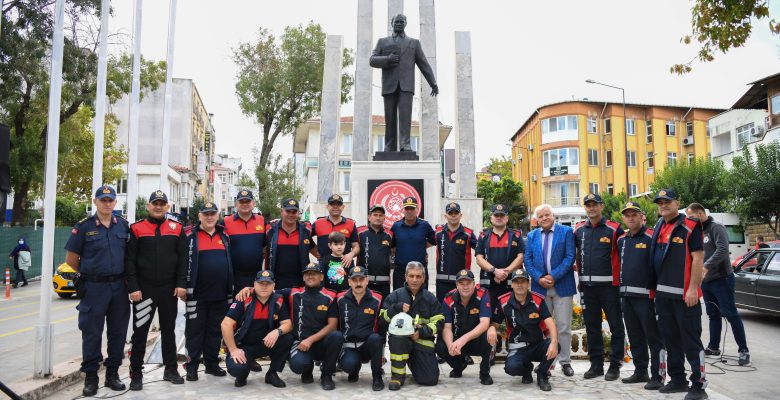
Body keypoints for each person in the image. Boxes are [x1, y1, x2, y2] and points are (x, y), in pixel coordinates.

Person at [64, 185, 130, 396]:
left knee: (118, 332)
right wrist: (91, 271)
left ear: (115, 203)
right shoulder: (83, 227)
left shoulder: (124, 226)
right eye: (103, 200)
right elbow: (72, 260)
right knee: (92, 333)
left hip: (119, 287)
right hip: (94, 287)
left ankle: (112, 374)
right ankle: (91, 377)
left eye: (110, 200)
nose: (107, 203)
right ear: (95, 202)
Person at [125, 191, 187, 389]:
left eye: (162, 203)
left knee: (169, 331)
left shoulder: (177, 229)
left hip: (170, 289)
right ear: (148, 206)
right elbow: (130, 261)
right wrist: (133, 287)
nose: (158, 206)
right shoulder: (136, 228)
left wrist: (181, 284)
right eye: (155, 203)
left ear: (168, 206)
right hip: (144, 290)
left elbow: (184, 259)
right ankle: (136, 373)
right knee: (140, 332)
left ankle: (171, 369)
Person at [650, 189, 708, 400]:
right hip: (663, 295)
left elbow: (698, 258)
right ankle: (677, 380)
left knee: (691, 341)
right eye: (660, 202)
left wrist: (693, 288)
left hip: (686, 296)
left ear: (677, 202)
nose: (663, 205)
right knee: (671, 340)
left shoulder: (690, 226)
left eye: (668, 201)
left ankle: (699, 386)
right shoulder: (659, 226)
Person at [686, 203, 750, 366]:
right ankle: (714, 347)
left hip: (722, 278)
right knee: (713, 315)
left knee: (731, 314)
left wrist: (706, 266)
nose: (689, 220)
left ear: (700, 213)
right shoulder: (696, 231)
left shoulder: (716, 228)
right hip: (706, 281)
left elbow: (722, 249)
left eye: (691, 217)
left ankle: (743, 350)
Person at [573, 193, 625, 380]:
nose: (591, 208)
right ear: (585, 208)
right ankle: (596, 365)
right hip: (587, 288)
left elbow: (623, 257)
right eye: (588, 205)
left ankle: (615, 364)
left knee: (616, 326)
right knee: (592, 327)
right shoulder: (578, 230)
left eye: (595, 204)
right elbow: (576, 255)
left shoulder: (614, 228)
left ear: (602, 206)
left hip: (609, 288)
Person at [369, 14, 438, 152]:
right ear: (391, 23)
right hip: (389, 85)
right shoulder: (383, 42)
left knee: (406, 117)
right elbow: (372, 60)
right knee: (389, 117)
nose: (399, 24)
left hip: (406, 86)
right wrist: (387, 59)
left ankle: (405, 144)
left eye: (401, 22)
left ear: (405, 23)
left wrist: (433, 83)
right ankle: (389, 145)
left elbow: (423, 64)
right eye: (396, 21)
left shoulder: (414, 43)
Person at [523, 204, 576, 377]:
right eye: (541, 216)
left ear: (553, 216)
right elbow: (528, 261)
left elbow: (570, 257)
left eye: (547, 215)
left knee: (563, 326)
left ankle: (565, 362)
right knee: (543, 327)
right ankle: (547, 364)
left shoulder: (566, 232)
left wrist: (553, 276)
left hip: (562, 285)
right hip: (540, 288)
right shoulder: (531, 236)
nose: (544, 218)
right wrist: (539, 278)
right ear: (536, 220)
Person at [183, 202, 233, 381]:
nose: (209, 217)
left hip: (220, 294)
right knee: (194, 332)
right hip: (197, 294)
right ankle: (192, 366)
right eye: (206, 214)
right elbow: (182, 263)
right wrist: (182, 286)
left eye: (213, 214)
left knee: (214, 331)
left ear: (217, 216)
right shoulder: (190, 235)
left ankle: (211, 365)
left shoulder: (224, 235)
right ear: (199, 216)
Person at [617, 202, 665, 390]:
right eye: (627, 215)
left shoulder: (651, 237)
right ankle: (640, 371)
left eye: (634, 214)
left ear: (641, 216)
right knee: (635, 337)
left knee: (653, 338)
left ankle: (658, 375)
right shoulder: (622, 240)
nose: (630, 218)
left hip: (647, 298)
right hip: (627, 298)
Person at [221, 270, 293, 388]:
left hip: (265, 344)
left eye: (268, 284)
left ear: (274, 285)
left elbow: (287, 324)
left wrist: (277, 331)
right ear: (254, 284)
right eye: (261, 283)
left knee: (287, 338)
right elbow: (225, 325)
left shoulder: (278, 300)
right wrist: (233, 350)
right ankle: (242, 375)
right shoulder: (244, 298)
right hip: (242, 347)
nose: (264, 287)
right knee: (237, 369)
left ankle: (272, 374)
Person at [493, 270, 560, 392]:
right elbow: (495, 323)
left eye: (523, 281)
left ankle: (542, 374)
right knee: (511, 368)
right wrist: (492, 329)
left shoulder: (538, 300)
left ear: (528, 283)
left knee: (556, 345)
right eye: (516, 282)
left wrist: (554, 342)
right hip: (518, 347)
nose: (519, 285)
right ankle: (527, 369)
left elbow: (550, 322)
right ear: (512, 284)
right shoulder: (504, 302)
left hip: (537, 345)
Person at [381, 261, 444, 390]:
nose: (414, 280)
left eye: (418, 276)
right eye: (411, 276)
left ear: (424, 279)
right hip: (400, 341)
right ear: (405, 277)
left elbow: (439, 322)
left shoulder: (430, 298)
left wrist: (421, 332)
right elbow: (382, 320)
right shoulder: (395, 296)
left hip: (422, 341)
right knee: (397, 339)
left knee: (430, 380)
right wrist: (395, 309)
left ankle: (411, 360)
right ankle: (397, 377)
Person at [436, 269, 494, 385]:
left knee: (489, 337)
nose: (465, 287)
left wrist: (464, 339)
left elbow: (484, 323)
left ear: (474, 284)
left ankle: (484, 373)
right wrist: (450, 345)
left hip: (475, 338)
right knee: (440, 346)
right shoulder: (448, 298)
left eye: (468, 283)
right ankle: (459, 365)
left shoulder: (483, 295)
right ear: (456, 285)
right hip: (457, 340)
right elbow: (447, 327)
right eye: (461, 284)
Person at [336, 266, 385, 391]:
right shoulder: (340, 299)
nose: (358, 283)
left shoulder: (377, 299)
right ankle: (353, 370)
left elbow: (381, 328)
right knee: (349, 365)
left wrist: (382, 355)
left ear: (367, 280)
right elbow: (335, 326)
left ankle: (377, 377)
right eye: (354, 280)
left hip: (368, 344)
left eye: (361, 279)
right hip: (349, 345)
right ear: (349, 281)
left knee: (376, 338)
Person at [476, 204, 525, 315]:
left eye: (502, 215)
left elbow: (520, 257)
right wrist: (495, 271)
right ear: (491, 218)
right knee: (489, 315)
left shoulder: (516, 236)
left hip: (510, 283)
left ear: (507, 218)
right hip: (489, 284)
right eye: (496, 215)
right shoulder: (483, 236)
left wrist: (506, 272)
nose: (499, 218)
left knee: (511, 314)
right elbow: (479, 258)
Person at [265, 198, 318, 290]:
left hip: (300, 282)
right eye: (288, 211)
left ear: (298, 213)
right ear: (282, 211)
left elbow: (315, 251)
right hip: (275, 282)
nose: (291, 214)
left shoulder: (305, 231)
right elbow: (262, 249)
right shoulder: (271, 230)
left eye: (294, 212)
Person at [223, 190, 266, 294]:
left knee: (254, 308)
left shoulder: (262, 220)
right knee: (236, 307)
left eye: (248, 201)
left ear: (253, 203)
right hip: (234, 276)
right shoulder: (226, 222)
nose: (245, 204)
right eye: (242, 202)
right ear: (236, 204)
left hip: (257, 275)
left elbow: (267, 245)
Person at [433, 202, 477, 301]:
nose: (453, 215)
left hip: (462, 281)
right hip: (442, 281)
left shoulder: (468, 234)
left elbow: (481, 251)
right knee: (442, 311)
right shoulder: (437, 233)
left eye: (456, 213)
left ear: (460, 215)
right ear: (445, 215)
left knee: (461, 310)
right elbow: (424, 244)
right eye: (450, 213)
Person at [390, 197, 435, 290]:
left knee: (421, 301)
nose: (409, 211)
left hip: (419, 271)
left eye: (412, 208)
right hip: (400, 272)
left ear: (417, 210)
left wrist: (422, 246)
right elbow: (392, 246)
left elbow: (434, 239)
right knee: (399, 300)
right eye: (407, 208)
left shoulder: (425, 225)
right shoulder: (396, 226)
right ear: (403, 210)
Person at [357, 204, 394, 300]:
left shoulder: (390, 234)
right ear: (369, 217)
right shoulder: (360, 232)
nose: (378, 218)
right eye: (375, 215)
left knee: (383, 309)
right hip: (364, 281)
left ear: (384, 218)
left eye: (381, 215)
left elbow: (394, 250)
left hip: (384, 282)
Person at [312, 194, 359, 265]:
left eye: (338, 204)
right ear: (327, 207)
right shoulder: (318, 223)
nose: (335, 207)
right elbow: (306, 238)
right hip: (324, 266)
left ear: (343, 207)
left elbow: (356, 246)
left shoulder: (351, 224)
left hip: (344, 266)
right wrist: (314, 251)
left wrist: (351, 254)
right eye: (332, 204)